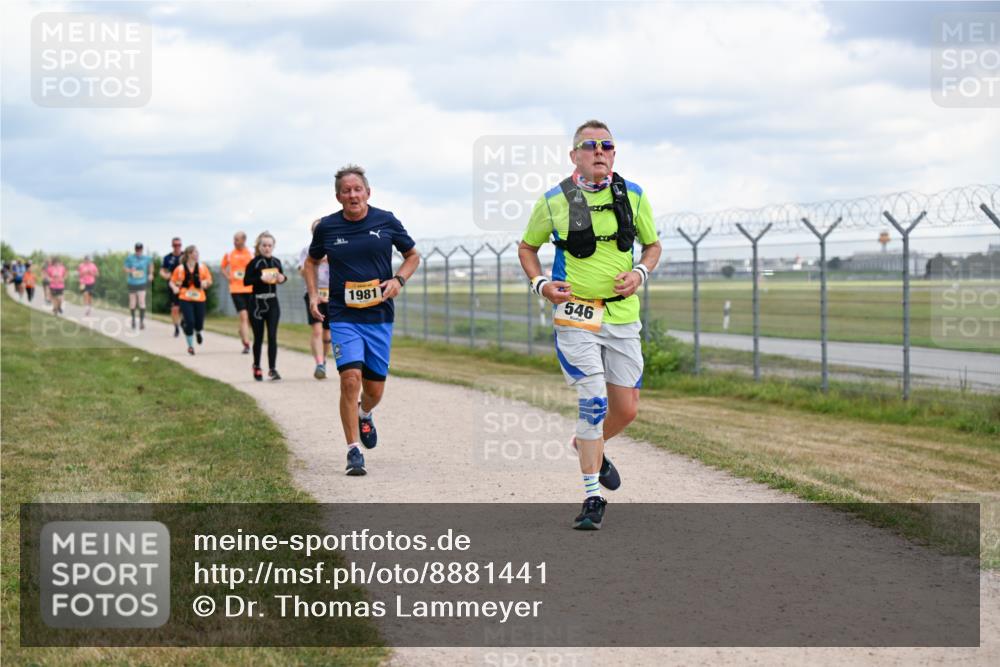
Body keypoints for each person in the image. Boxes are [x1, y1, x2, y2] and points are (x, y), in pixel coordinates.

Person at [518, 120, 661, 530]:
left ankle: (585, 441)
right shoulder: (554, 201)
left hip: (622, 315)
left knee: (626, 410)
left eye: (607, 145)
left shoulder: (633, 196)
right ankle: (591, 497)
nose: (600, 151)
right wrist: (541, 283)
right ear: (574, 155)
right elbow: (527, 247)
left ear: (614, 153)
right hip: (576, 315)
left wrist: (640, 274)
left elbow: (652, 245)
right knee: (593, 400)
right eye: (590, 145)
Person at [304, 165, 420, 476]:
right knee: (349, 379)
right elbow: (311, 262)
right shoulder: (327, 228)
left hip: (378, 315)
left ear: (367, 192)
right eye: (346, 190)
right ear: (338, 196)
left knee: (374, 390)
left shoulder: (386, 220)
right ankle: (353, 450)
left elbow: (413, 256)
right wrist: (314, 294)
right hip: (343, 315)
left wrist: (398, 280)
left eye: (358, 189)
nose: (352, 194)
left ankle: (365, 414)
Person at [243, 232, 287, 381]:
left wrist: (283, 278)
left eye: (269, 245)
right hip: (256, 303)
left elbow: (281, 276)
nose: (267, 248)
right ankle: (256, 366)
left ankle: (273, 369)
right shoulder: (254, 262)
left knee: (273, 336)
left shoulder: (276, 262)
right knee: (259, 337)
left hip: (272, 303)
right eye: (264, 245)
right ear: (259, 246)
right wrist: (260, 278)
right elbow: (246, 281)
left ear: (273, 246)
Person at [299, 220, 332, 379]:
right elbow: (302, 271)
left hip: (331, 294)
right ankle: (319, 362)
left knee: (328, 334)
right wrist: (317, 261)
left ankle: (324, 361)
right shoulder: (307, 250)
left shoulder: (334, 248)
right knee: (317, 330)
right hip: (313, 293)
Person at [169, 245, 213, 355]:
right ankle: (190, 346)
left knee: (199, 323)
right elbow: (172, 281)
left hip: (200, 299)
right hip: (185, 298)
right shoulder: (180, 269)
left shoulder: (202, 267)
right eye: (195, 252)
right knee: (190, 322)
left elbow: (209, 280)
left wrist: (205, 283)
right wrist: (174, 288)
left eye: (197, 252)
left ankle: (198, 332)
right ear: (189, 254)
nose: (197, 254)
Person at [221, 231, 254, 354]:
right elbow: (223, 267)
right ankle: (246, 344)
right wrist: (228, 276)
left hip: (250, 288)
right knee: (243, 316)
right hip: (236, 289)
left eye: (237, 239)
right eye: (234, 239)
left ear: (244, 240)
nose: (234, 242)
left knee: (250, 318)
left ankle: (242, 331)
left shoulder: (251, 253)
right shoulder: (229, 254)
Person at [124, 243, 153, 330]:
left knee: (141, 301)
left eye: (140, 249)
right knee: (133, 302)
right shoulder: (130, 258)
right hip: (132, 282)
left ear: (142, 249)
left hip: (142, 282)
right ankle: (133, 320)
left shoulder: (146, 258)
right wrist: (130, 270)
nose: (138, 251)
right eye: (137, 249)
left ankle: (141, 322)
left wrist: (151, 274)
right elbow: (125, 268)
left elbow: (151, 265)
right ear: (135, 249)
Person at [160, 237, 184, 337]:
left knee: (185, 307)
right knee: (175, 308)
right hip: (172, 286)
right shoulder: (167, 258)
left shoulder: (185, 256)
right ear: (172, 246)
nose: (177, 247)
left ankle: (183, 321)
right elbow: (162, 270)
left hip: (184, 286)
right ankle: (176, 328)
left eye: (179, 245)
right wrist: (165, 275)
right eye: (175, 245)